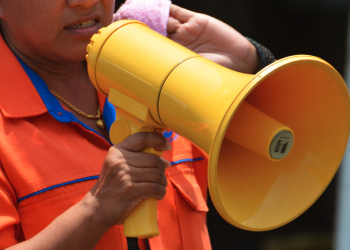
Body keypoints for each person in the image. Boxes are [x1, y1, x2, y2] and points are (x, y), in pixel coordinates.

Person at [0, 0, 274, 249]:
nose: (85, 1)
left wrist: (249, 60)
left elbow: (284, 153)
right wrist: (96, 211)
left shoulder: (160, 68)